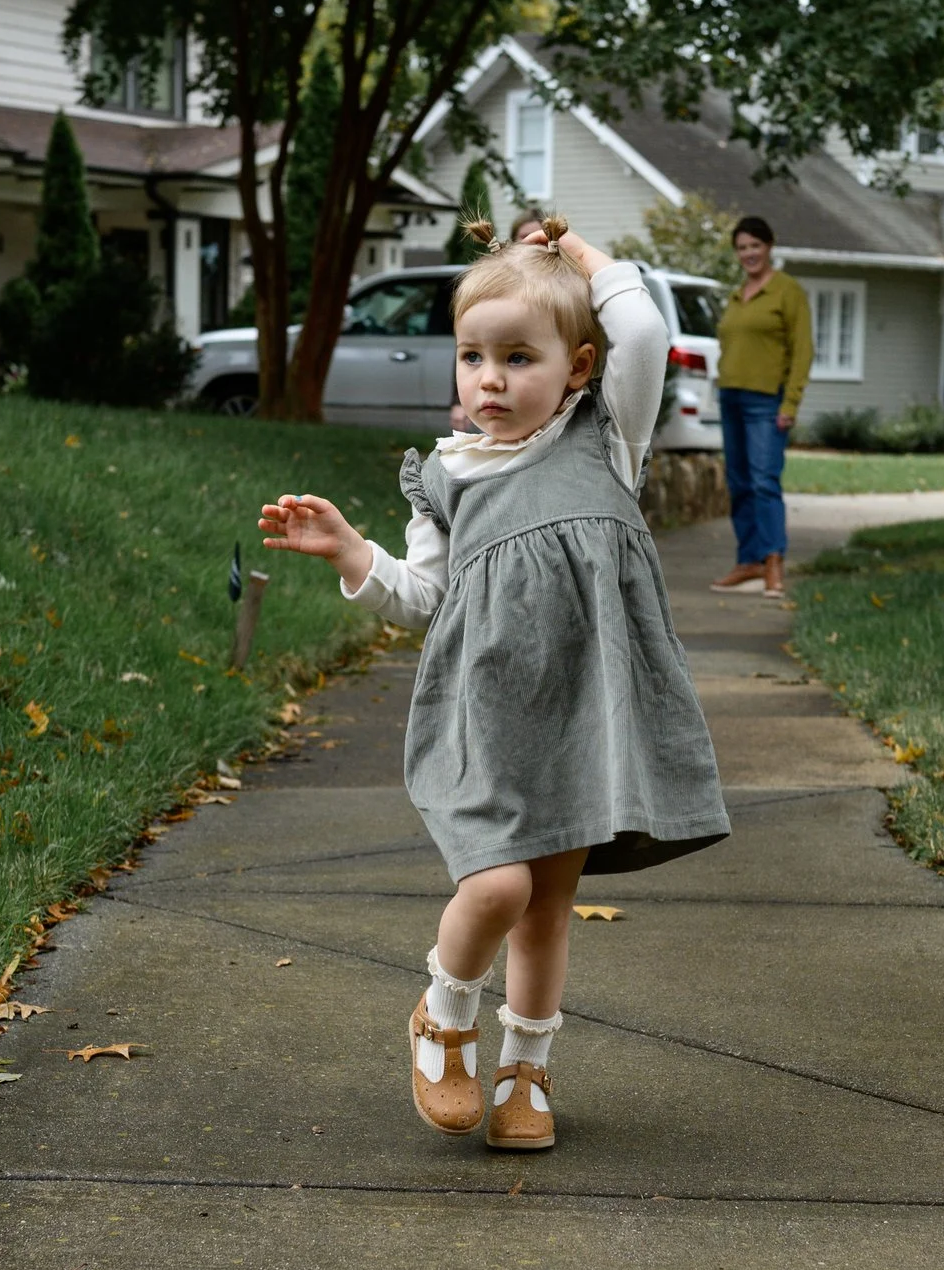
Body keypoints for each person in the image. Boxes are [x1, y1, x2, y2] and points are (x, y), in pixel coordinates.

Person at [259, 218, 729, 1152]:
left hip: (586, 715)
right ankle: (443, 1016)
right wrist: (355, 552)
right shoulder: (446, 476)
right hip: (486, 716)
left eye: (520, 357)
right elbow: (426, 596)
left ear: (580, 367)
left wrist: (573, 251)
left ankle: (527, 1069)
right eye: (473, 356)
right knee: (497, 886)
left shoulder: (607, 440)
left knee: (550, 904)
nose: (491, 380)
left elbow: (640, 328)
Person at [708, 216, 812, 596]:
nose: (749, 254)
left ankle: (773, 563)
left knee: (764, 481)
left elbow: (803, 351)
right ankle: (748, 560)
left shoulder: (787, 292)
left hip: (766, 401)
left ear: (769, 247)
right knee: (739, 484)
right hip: (731, 397)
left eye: (755, 246)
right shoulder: (738, 295)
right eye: (742, 248)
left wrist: (791, 402)